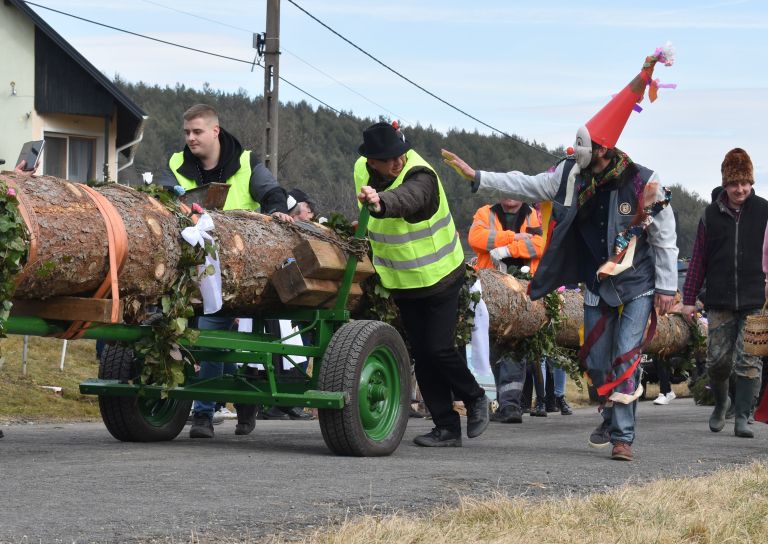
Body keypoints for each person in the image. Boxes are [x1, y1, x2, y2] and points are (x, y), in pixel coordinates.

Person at [442, 45, 678, 461]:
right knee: (597, 358)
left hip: (637, 283)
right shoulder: (570, 174)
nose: (581, 163)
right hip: (593, 280)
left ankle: (623, 437)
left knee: (626, 353)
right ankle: (609, 410)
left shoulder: (645, 182)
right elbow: (528, 183)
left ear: (605, 152)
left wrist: (666, 286)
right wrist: (479, 177)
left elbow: (665, 237)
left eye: (589, 157)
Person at [160, 104, 293, 439]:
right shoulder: (177, 164)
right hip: (196, 269)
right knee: (212, 338)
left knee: (211, 331)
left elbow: (273, 193)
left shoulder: (246, 162)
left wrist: (277, 211)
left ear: (215, 131)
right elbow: (160, 197)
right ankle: (231, 402)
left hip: (242, 270)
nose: (190, 138)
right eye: (187, 132)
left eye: (197, 132)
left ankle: (208, 412)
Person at [355, 121, 489, 447]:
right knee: (422, 354)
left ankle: (475, 398)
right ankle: (446, 428)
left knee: (439, 347)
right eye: (388, 159)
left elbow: (409, 198)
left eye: (400, 154)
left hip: (441, 275)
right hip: (402, 280)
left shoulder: (421, 175)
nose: (397, 161)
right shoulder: (362, 170)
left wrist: (381, 203)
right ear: (372, 161)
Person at [681, 148, 768, 438]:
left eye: (745, 183)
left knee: (750, 360)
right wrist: (689, 300)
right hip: (720, 300)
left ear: (751, 182)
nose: (740, 189)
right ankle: (721, 403)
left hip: (757, 300)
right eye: (734, 183)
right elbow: (698, 261)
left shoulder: (764, 211)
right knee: (717, 362)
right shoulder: (710, 214)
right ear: (725, 183)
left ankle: (743, 416)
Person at [467, 197, 546, 423]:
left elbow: (540, 244)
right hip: (489, 289)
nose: (510, 196)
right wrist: (514, 236)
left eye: (515, 191)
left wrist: (506, 249)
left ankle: (510, 405)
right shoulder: (486, 213)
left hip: (522, 289)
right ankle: (485, 402)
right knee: (485, 345)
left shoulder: (533, 215)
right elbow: (476, 239)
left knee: (515, 345)